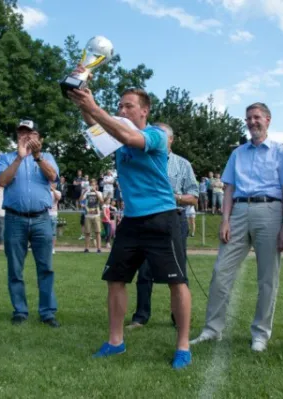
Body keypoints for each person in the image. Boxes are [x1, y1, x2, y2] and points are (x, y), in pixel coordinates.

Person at [69, 82, 193, 369]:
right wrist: (80, 98)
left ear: (144, 111)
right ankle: (115, 342)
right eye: (120, 106)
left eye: (129, 106)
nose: (122, 110)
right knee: (115, 279)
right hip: (132, 220)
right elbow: (96, 123)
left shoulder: (156, 135)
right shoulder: (116, 136)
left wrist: (93, 106)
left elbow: (126, 134)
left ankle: (183, 346)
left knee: (177, 282)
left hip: (163, 217)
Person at [190, 102, 283, 353]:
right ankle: (212, 330)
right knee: (220, 272)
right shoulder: (238, 153)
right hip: (238, 211)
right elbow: (228, 188)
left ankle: (260, 334)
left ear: (268, 120)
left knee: (267, 277)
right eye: (248, 118)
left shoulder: (281, 152)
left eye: (256, 117)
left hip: (270, 211)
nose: (252, 122)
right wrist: (225, 219)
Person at [127, 122, 198, 330]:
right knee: (144, 271)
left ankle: (179, 318)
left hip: (175, 219)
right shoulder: (144, 159)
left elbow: (194, 197)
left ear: (171, 140)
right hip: (147, 219)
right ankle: (140, 317)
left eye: (161, 136)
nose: (155, 138)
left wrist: (173, 197)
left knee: (177, 272)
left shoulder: (183, 164)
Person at [0, 119, 60, 327]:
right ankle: (20, 311)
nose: (25, 136)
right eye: (22, 133)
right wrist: (19, 159)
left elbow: (53, 177)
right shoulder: (6, 158)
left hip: (41, 218)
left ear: (38, 137)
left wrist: (37, 157)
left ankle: (47, 312)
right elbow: (2, 182)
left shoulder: (47, 157)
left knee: (46, 267)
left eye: (29, 133)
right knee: (15, 268)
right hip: (15, 218)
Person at [80, 178, 103, 253]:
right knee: (87, 233)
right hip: (88, 215)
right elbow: (80, 200)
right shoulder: (87, 193)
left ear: (96, 185)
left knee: (98, 232)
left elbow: (102, 201)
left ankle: (99, 248)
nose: (92, 186)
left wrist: (95, 191)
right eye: (91, 185)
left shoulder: (99, 193)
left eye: (94, 185)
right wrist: (84, 192)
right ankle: (86, 248)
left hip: (96, 215)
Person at [49, 181, 61, 254]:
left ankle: (52, 248)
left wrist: (53, 190)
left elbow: (58, 198)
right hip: (45, 214)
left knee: (53, 232)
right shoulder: (45, 191)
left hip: (53, 214)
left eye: (54, 183)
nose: (53, 184)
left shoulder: (57, 192)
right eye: (51, 183)